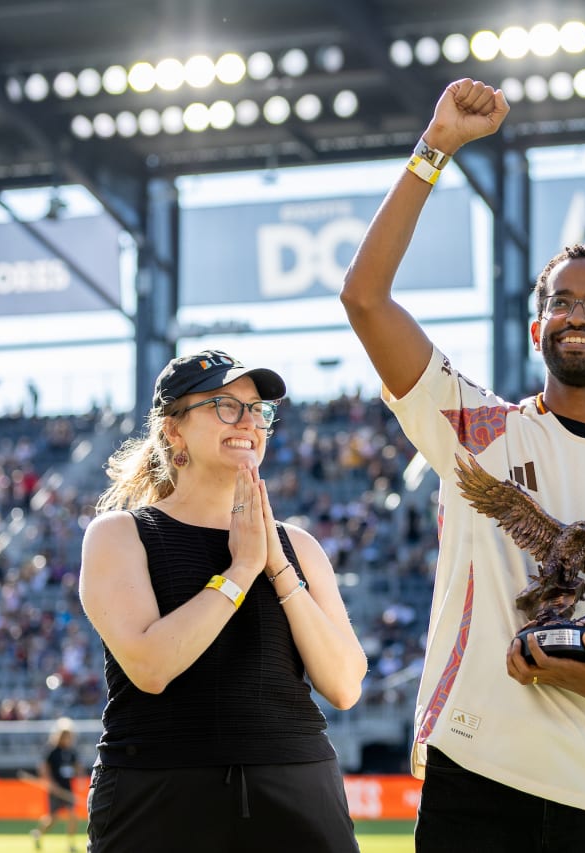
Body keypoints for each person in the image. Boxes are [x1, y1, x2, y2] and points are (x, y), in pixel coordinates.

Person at [341, 78, 585, 852]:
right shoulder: (476, 430)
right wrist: (434, 150)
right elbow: (365, 297)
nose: (579, 313)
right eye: (562, 300)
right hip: (475, 773)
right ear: (535, 328)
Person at [78, 350, 367, 853]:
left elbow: (343, 686)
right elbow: (151, 667)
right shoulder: (120, 535)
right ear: (173, 430)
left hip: (296, 783)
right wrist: (238, 571)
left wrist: (275, 565)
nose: (248, 421)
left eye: (258, 409)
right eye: (224, 405)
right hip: (158, 790)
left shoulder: (298, 547)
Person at [31, 717, 82, 851]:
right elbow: (43, 768)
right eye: (64, 735)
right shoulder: (52, 751)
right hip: (55, 789)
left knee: (73, 815)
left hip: (67, 788)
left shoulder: (71, 751)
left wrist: (78, 774)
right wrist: (51, 784)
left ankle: (71, 844)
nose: (67, 738)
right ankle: (38, 834)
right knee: (52, 818)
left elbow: (77, 767)